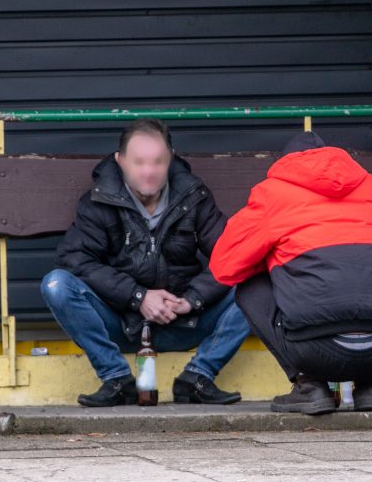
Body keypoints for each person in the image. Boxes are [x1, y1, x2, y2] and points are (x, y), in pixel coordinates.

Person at [40, 118, 251, 407]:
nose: (149, 172)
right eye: (139, 162)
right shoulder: (98, 202)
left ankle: (198, 377)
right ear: (120, 161)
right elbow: (73, 259)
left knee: (256, 279)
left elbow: (234, 255)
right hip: (122, 324)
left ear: (170, 159)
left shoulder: (193, 197)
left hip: (185, 320)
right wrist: (137, 297)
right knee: (56, 284)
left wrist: (192, 299)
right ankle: (117, 379)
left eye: (158, 162)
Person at [209, 131, 372, 415]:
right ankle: (371, 386)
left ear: (286, 164)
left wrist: (278, 262)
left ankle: (309, 386)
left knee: (249, 286)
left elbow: (224, 267)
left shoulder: (273, 193)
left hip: (315, 350)